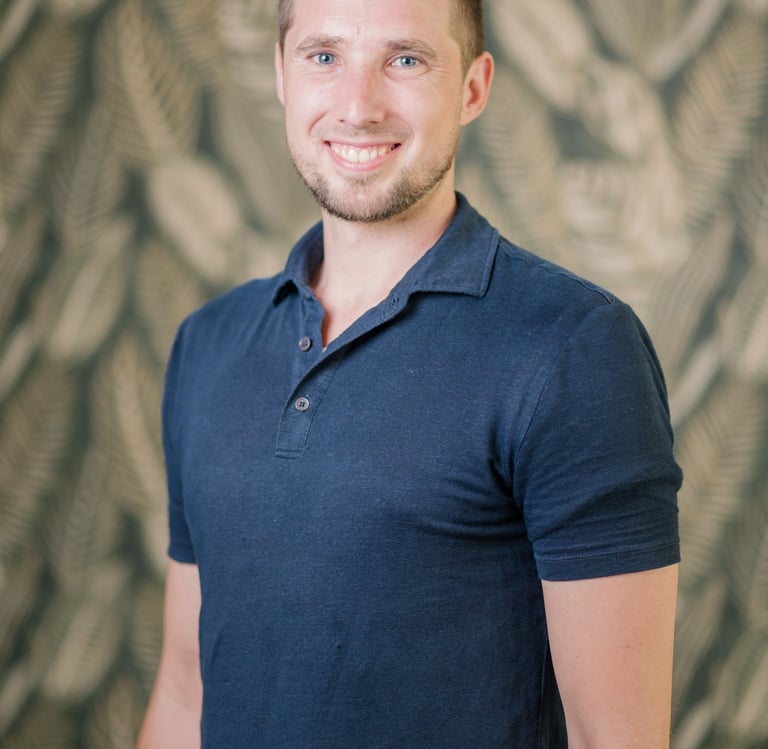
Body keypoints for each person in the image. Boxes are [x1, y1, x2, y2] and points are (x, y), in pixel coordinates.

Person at [137, 0, 682, 746]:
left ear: (473, 87)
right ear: (282, 75)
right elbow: (182, 688)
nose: (358, 106)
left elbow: (614, 739)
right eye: (324, 57)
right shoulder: (207, 344)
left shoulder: (575, 349)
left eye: (405, 59)